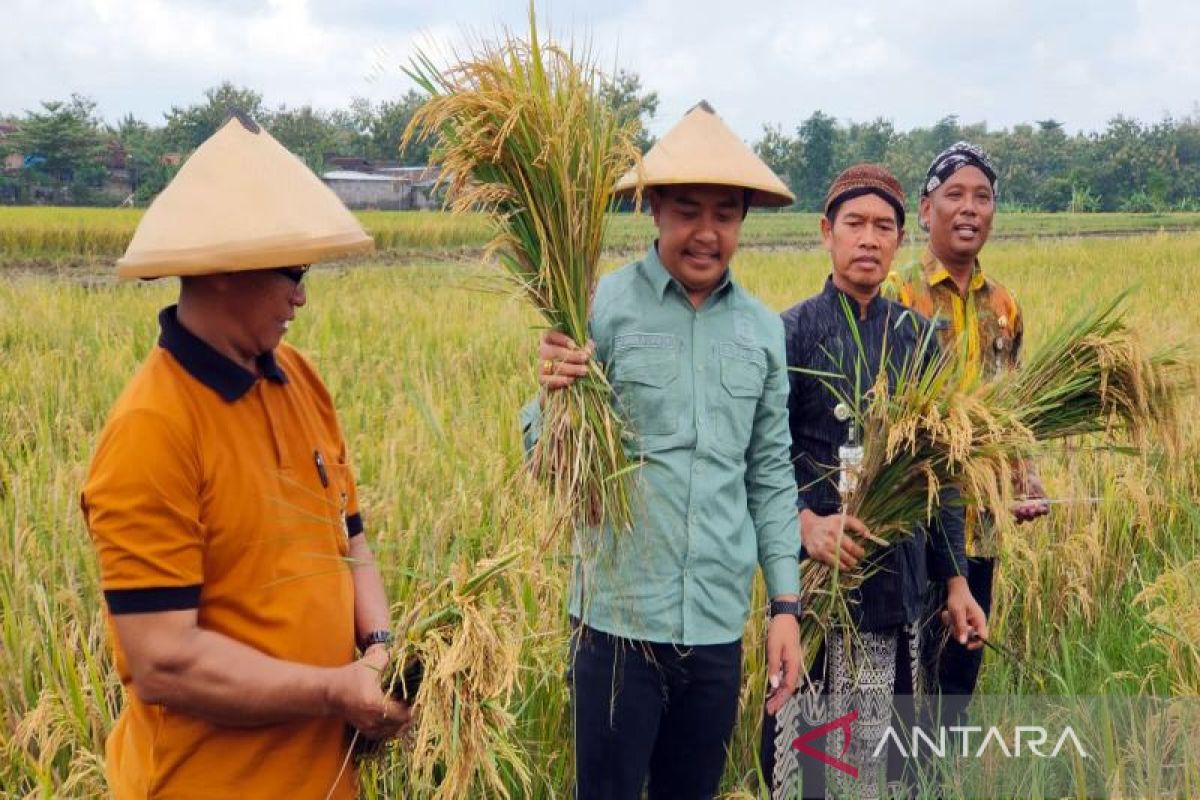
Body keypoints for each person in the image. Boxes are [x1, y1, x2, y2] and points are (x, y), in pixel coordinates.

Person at [80, 113, 409, 799]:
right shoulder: (153, 429)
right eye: (290, 271)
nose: (301, 294)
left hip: (323, 780)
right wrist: (335, 691)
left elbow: (350, 537)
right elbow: (165, 662)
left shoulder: (301, 379)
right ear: (224, 268)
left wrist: (380, 647)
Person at [525, 101, 803, 799]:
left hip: (714, 623)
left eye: (725, 214)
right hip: (617, 624)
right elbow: (544, 457)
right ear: (652, 209)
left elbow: (769, 476)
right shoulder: (599, 308)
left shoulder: (762, 332)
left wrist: (785, 608)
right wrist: (554, 396)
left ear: (742, 220)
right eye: (687, 210)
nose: (706, 233)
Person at [761, 164, 988, 800]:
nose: (869, 238)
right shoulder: (789, 334)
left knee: (890, 765)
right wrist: (803, 525)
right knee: (805, 762)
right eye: (854, 224)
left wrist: (955, 578)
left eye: (883, 226)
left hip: (898, 585)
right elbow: (764, 461)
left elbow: (941, 474)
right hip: (810, 590)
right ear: (826, 232)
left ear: (897, 241)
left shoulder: (918, 340)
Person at [886, 141, 1049, 705]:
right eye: (954, 194)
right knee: (907, 677)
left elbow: (1014, 409)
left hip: (982, 524)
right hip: (910, 525)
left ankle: (942, 781)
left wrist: (1027, 479)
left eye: (982, 197)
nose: (969, 208)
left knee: (959, 674)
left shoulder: (1004, 306)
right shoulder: (898, 296)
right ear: (927, 209)